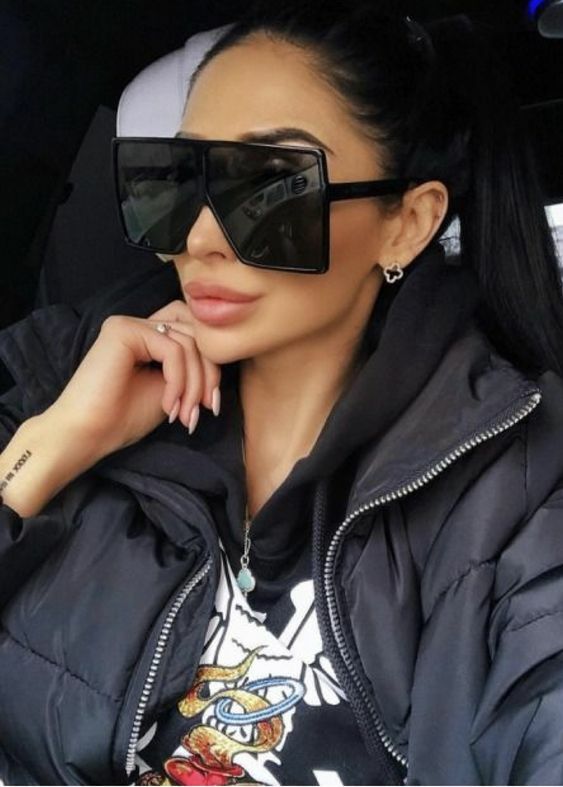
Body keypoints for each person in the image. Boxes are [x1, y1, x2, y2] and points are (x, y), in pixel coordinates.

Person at [1, 0, 563, 784]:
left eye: (268, 189)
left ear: (407, 223)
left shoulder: (516, 489)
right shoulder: (65, 369)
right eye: (178, 182)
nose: (197, 239)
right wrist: (57, 442)